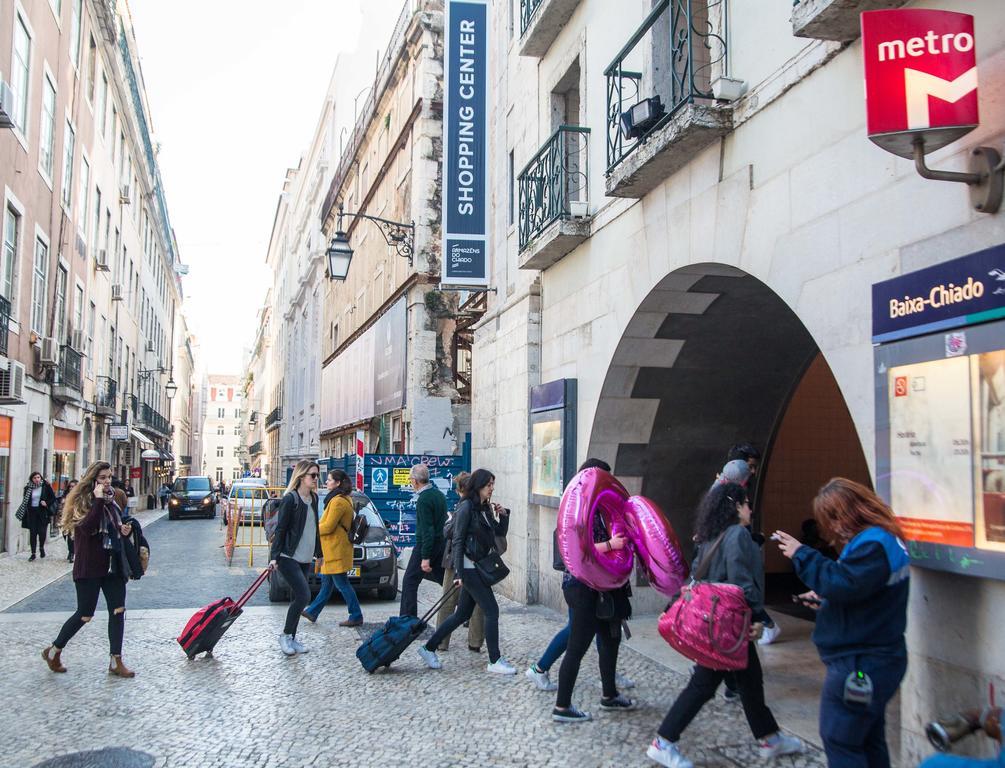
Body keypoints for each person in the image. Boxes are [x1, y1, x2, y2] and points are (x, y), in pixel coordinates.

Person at [647, 483, 802, 767]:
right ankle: (663, 741)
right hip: (727, 627)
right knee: (703, 685)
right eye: (746, 503)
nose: (750, 510)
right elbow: (743, 583)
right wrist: (757, 618)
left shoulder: (709, 536)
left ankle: (770, 738)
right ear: (736, 506)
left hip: (716, 623)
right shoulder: (737, 535)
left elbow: (695, 575)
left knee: (750, 681)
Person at [773, 478, 910, 768]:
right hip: (876, 656)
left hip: (862, 662)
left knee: (841, 739)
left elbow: (845, 583)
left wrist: (802, 554)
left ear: (850, 513)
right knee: (868, 739)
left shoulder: (873, 544)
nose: (833, 528)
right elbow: (863, 590)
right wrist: (826, 598)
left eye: (834, 519)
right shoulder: (882, 539)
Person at [526, 458, 635, 694]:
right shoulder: (582, 510)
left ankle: (608, 677)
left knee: (598, 629)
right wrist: (612, 543)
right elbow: (584, 548)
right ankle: (541, 670)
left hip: (593, 582)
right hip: (582, 582)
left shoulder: (595, 506)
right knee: (577, 633)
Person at [550, 461, 637, 723]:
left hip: (605, 588)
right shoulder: (577, 512)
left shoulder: (602, 509)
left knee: (610, 641)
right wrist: (612, 544)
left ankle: (609, 694)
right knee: (577, 645)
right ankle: (562, 707)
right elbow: (576, 551)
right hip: (582, 588)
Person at [41, 461, 137, 677]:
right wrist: (98, 501)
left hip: (112, 564)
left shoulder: (113, 501)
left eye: (109, 477)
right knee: (85, 614)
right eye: (102, 478)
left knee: (118, 610)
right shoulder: (82, 501)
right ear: (93, 479)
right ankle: (54, 650)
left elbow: (112, 528)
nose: (107, 482)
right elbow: (87, 528)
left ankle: (116, 661)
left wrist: (123, 529)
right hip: (89, 565)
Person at [417, 468, 516, 675]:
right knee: (492, 610)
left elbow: (497, 534)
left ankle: (428, 647)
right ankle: (495, 660)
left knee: (462, 614)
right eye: (489, 485)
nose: (492, 489)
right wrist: (460, 574)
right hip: (470, 569)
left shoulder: (483, 509)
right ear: (479, 486)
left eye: (492, 485)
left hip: (479, 567)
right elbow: (458, 540)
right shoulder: (466, 508)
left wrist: (504, 516)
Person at [269, 460, 322, 655]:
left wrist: (320, 553)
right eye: (313, 476)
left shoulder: (314, 499)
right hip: (288, 556)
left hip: (306, 557)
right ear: (301, 477)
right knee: (304, 595)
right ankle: (284, 636)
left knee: (296, 598)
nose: (316, 479)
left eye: (318, 475)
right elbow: (281, 529)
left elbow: (315, 528)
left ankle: (292, 638)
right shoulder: (291, 499)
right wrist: (274, 557)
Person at [301, 469, 363, 628]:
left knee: (342, 584)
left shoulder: (338, 501)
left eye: (329, 480)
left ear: (338, 483)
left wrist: (311, 528)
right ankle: (313, 611)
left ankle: (356, 615)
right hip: (332, 549)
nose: (326, 482)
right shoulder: (340, 499)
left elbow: (328, 526)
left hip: (335, 549)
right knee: (327, 584)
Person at [435, 472, 485, 652]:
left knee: (449, 601)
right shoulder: (480, 506)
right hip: (476, 561)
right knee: (478, 603)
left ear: (460, 490)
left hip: (456, 560)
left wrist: (450, 522)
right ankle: (475, 642)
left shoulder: (463, 506)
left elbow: (450, 533)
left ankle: (441, 641)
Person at [399, 463, 448, 618]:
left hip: (426, 545)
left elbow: (427, 530)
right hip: (441, 543)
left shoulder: (423, 500)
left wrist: (425, 557)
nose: (410, 482)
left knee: (409, 582)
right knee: (444, 580)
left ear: (415, 481)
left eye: (410, 480)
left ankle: (407, 619)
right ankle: (467, 609)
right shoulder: (439, 495)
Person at [20, 472, 56, 561]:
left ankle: (41, 548)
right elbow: (25, 500)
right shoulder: (28, 488)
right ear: (32, 479)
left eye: (38, 477)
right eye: (35, 477)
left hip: (43, 513)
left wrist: (46, 503)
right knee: (33, 534)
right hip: (32, 513)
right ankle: (33, 553)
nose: (37, 479)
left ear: (41, 478)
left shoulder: (46, 487)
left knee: (42, 533)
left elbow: (53, 498)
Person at [58, 480, 78, 562]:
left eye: (74, 486)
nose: (72, 488)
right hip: (65, 519)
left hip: (74, 519)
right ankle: (71, 551)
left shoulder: (80, 496)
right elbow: (60, 508)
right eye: (70, 486)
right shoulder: (65, 496)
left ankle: (71, 553)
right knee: (65, 535)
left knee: (71, 537)